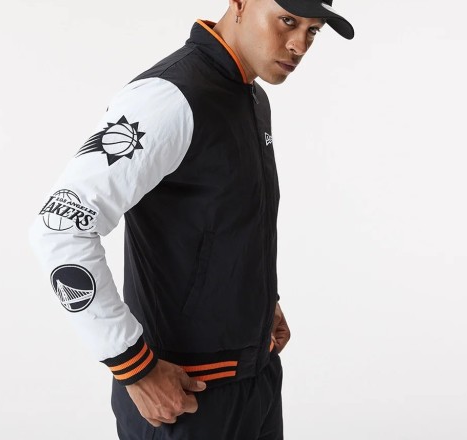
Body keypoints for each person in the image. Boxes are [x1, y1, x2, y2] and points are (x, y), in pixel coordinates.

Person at [29, 0, 354, 438]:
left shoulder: (252, 97)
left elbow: (221, 220)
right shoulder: (168, 97)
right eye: (288, 21)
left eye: (313, 31)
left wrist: (259, 303)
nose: (299, 44)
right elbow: (60, 228)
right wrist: (132, 366)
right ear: (240, 4)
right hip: (183, 398)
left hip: (256, 380)